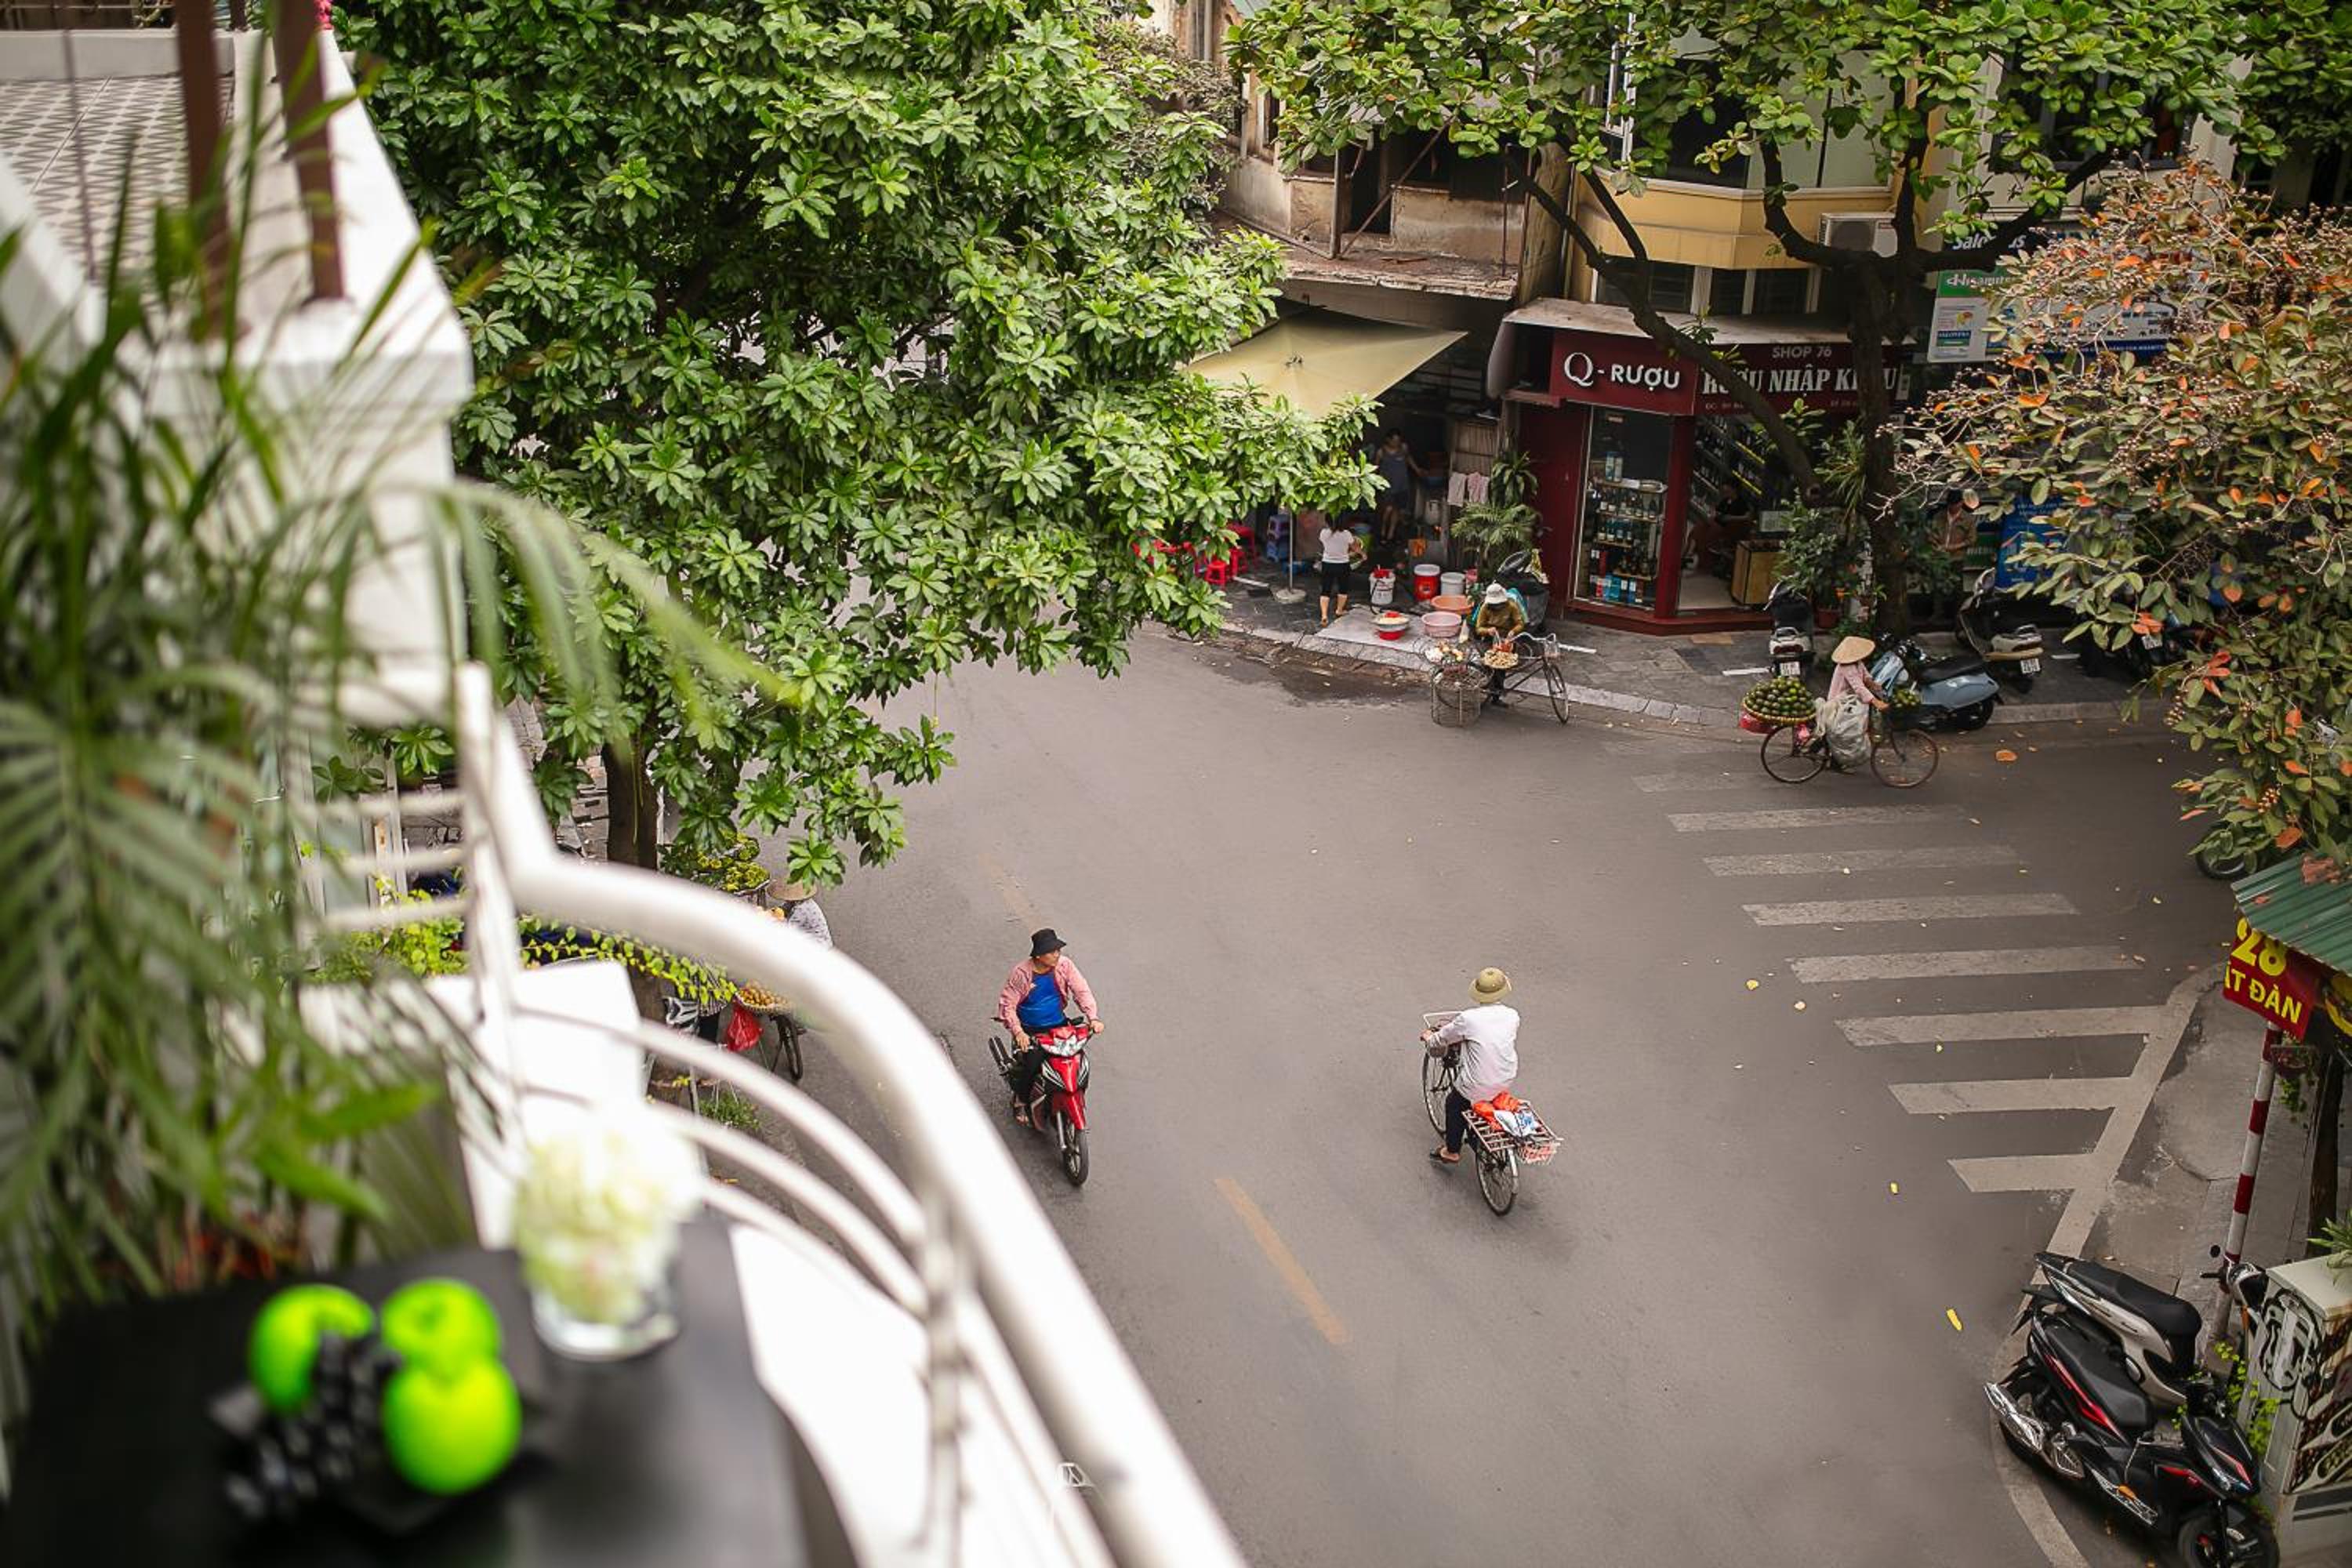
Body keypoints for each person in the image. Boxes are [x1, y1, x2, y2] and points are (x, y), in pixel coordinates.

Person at [996, 928, 1103, 1126]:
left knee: (1076, 1060)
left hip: (1058, 1025)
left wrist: (1093, 1018)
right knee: (1032, 1064)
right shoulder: (1022, 973)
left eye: (1058, 951)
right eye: (1051, 952)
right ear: (1038, 955)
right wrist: (1019, 1032)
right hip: (1031, 1029)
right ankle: (1020, 1099)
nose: (1057, 955)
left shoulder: (1064, 965)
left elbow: (1081, 990)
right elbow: (1008, 1005)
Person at [1422, 968, 1520, 1165]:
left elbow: (1443, 1037)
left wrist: (1430, 1038)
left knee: (1454, 1103)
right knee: (1483, 1093)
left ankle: (1451, 1151)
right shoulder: (1512, 1015)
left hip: (1478, 1082)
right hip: (1507, 1076)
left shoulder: (1469, 1019)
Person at [1817, 633, 1889, 769]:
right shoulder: (1847, 667)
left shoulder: (1858, 663)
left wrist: (1874, 685)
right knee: (1840, 732)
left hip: (1849, 701)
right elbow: (1858, 687)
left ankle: (1833, 762)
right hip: (1839, 703)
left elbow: (1866, 677)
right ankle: (1823, 755)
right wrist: (1875, 701)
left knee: (1836, 732)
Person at [1471, 582, 1528, 706]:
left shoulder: (1511, 606)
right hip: (1488, 639)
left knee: (1501, 669)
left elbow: (1520, 623)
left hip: (1506, 639)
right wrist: (1488, 631)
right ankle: (1492, 690)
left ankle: (1496, 694)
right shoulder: (1485, 608)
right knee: (1491, 666)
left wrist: (1513, 631)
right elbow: (1478, 628)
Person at [1316, 514, 1357, 627]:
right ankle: (1339, 610)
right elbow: (1355, 547)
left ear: (1327, 522)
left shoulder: (1324, 533)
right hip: (1343, 564)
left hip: (1327, 564)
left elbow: (1327, 545)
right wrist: (1362, 554)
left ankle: (1324, 616)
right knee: (1343, 588)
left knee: (1325, 590)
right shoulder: (1346, 534)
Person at [771, 881, 833, 949]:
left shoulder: (802, 909)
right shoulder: (797, 901)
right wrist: (776, 911)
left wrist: (777, 921)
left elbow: (789, 929)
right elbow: (786, 907)